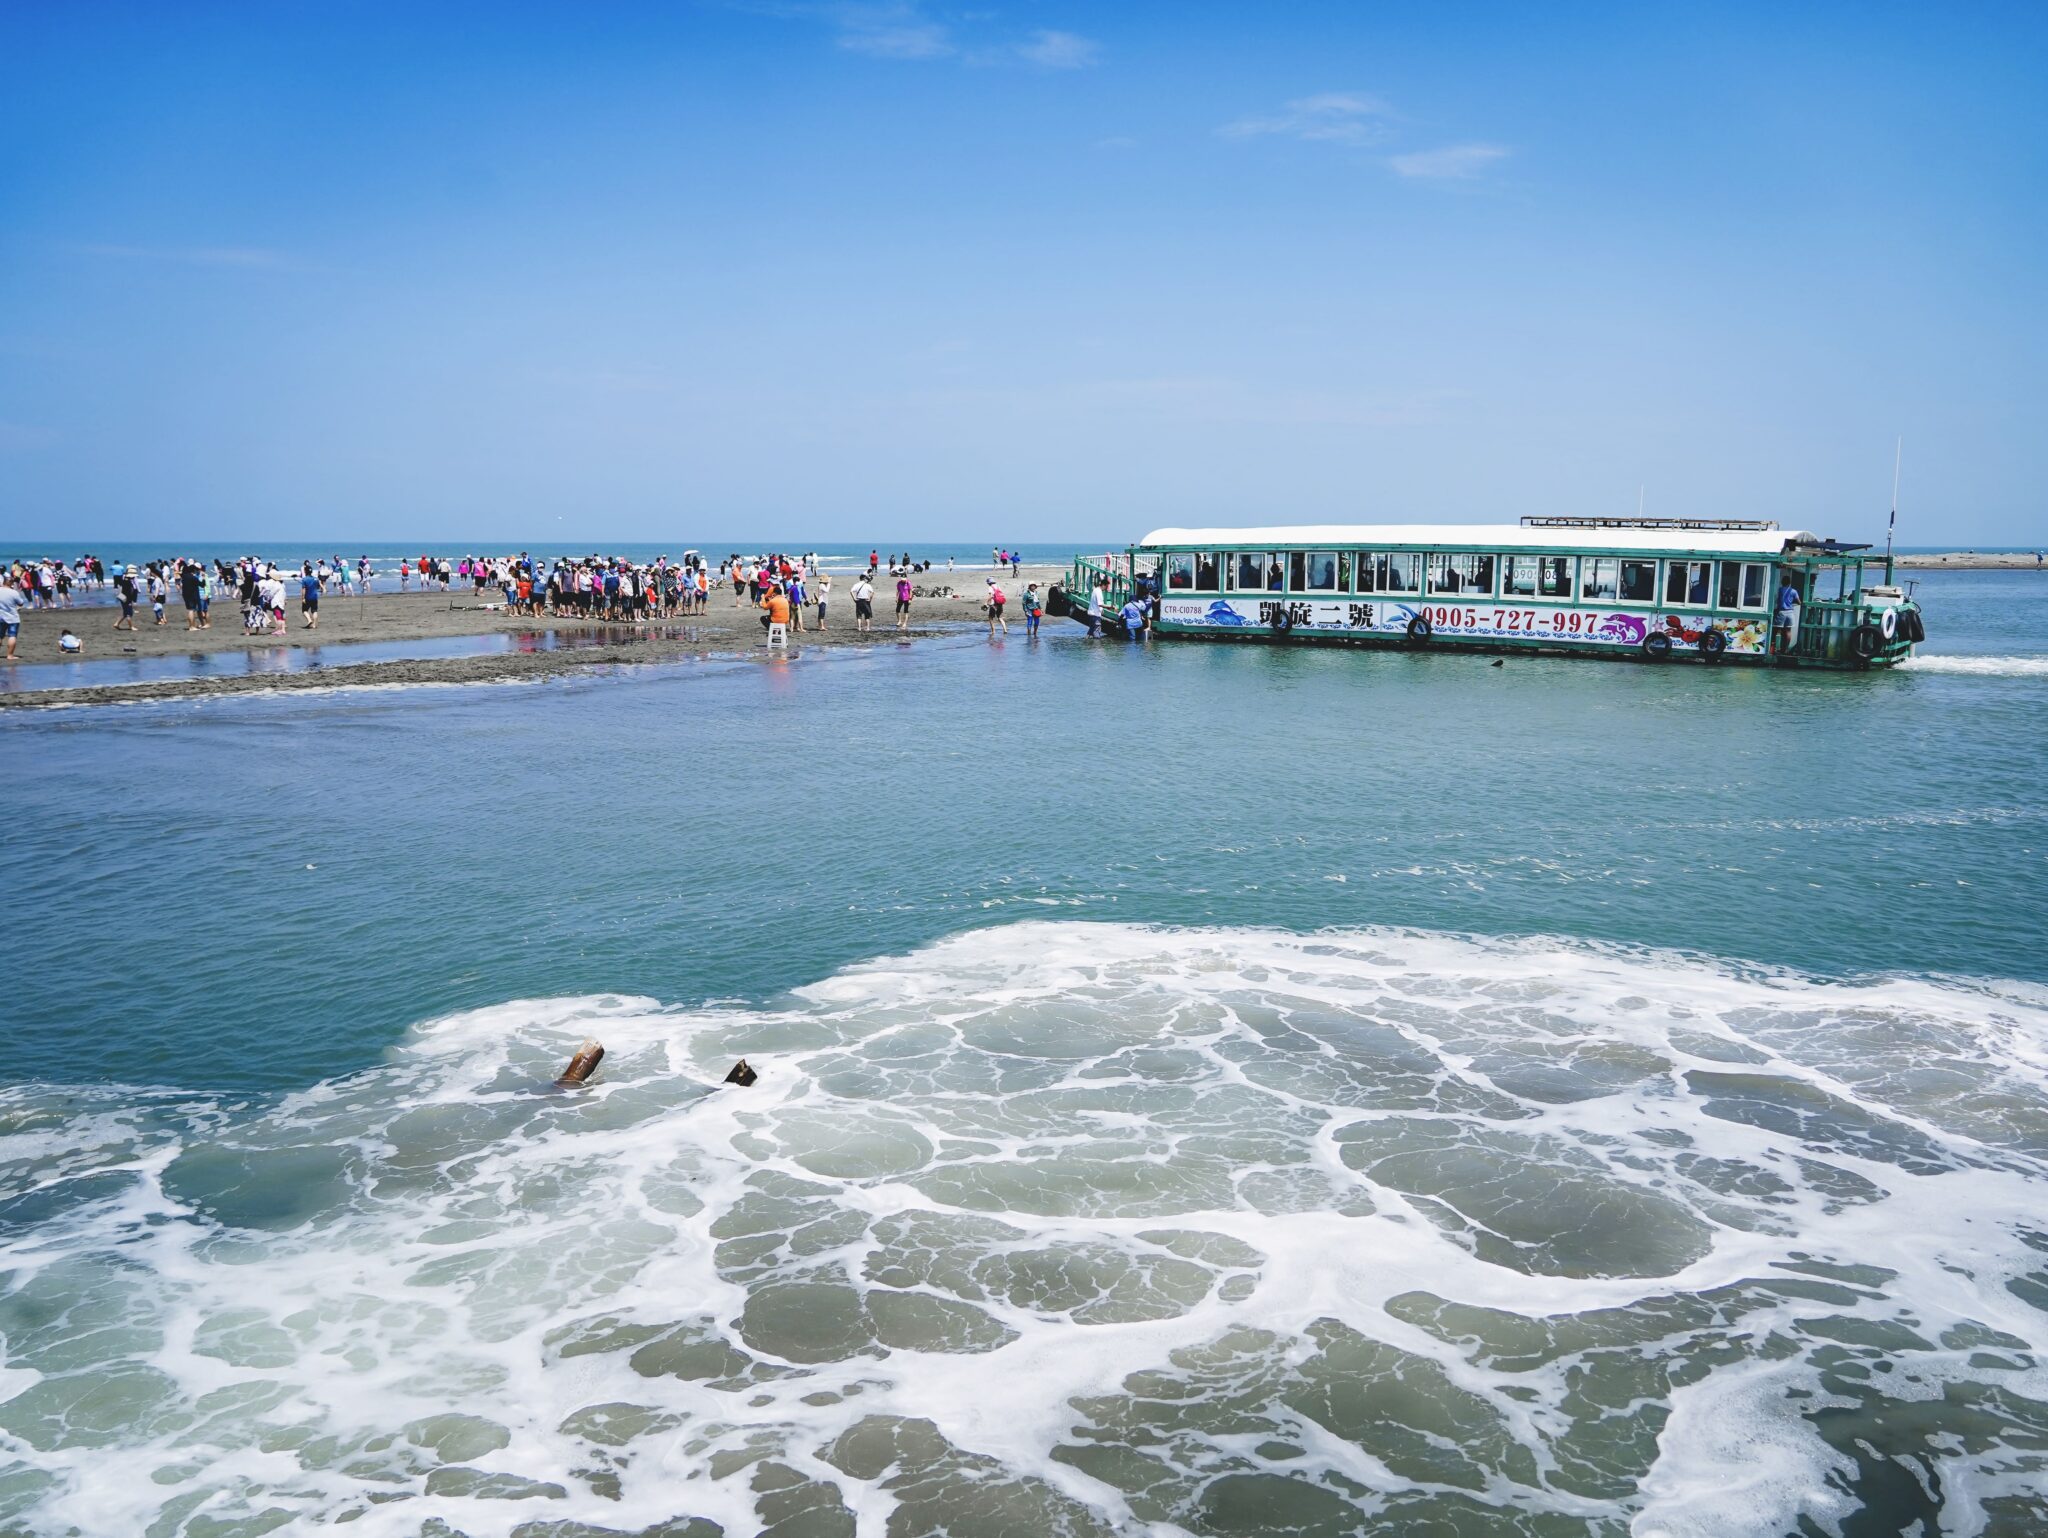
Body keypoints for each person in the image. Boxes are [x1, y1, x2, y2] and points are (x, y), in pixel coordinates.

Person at [1774, 575, 1802, 652]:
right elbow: (1799, 602)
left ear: (1782, 582)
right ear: (1790, 583)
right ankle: (1785, 649)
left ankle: (1775, 648)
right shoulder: (1793, 591)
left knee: (1777, 630)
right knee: (1788, 631)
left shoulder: (1780, 590)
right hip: (1790, 613)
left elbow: (1776, 599)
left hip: (1781, 612)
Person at [761, 582, 791, 647]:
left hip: (776, 620)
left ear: (774, 593)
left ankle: (772, 630)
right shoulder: (785, 599)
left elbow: (765, 607)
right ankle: (775, 631)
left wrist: (763, 598)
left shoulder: (773, 601)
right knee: (770, 615)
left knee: (763, 618)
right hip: (785, 620)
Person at [0, 570, 21, 660]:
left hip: (1, 617)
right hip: (12, 617)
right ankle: (10, 655)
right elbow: (21, 603)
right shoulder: (13, 592)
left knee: (0, 636)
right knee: (12, 636)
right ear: (11, 584)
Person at [113, 566, 138, 631]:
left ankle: (117, 624)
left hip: (122, 597)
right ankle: (131, 627)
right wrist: (131, 601)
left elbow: (121, 590)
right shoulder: (128, 582)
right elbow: (129, 593)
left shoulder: (124, 580)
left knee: (125, 613)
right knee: (129, 614)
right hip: (126, 599)